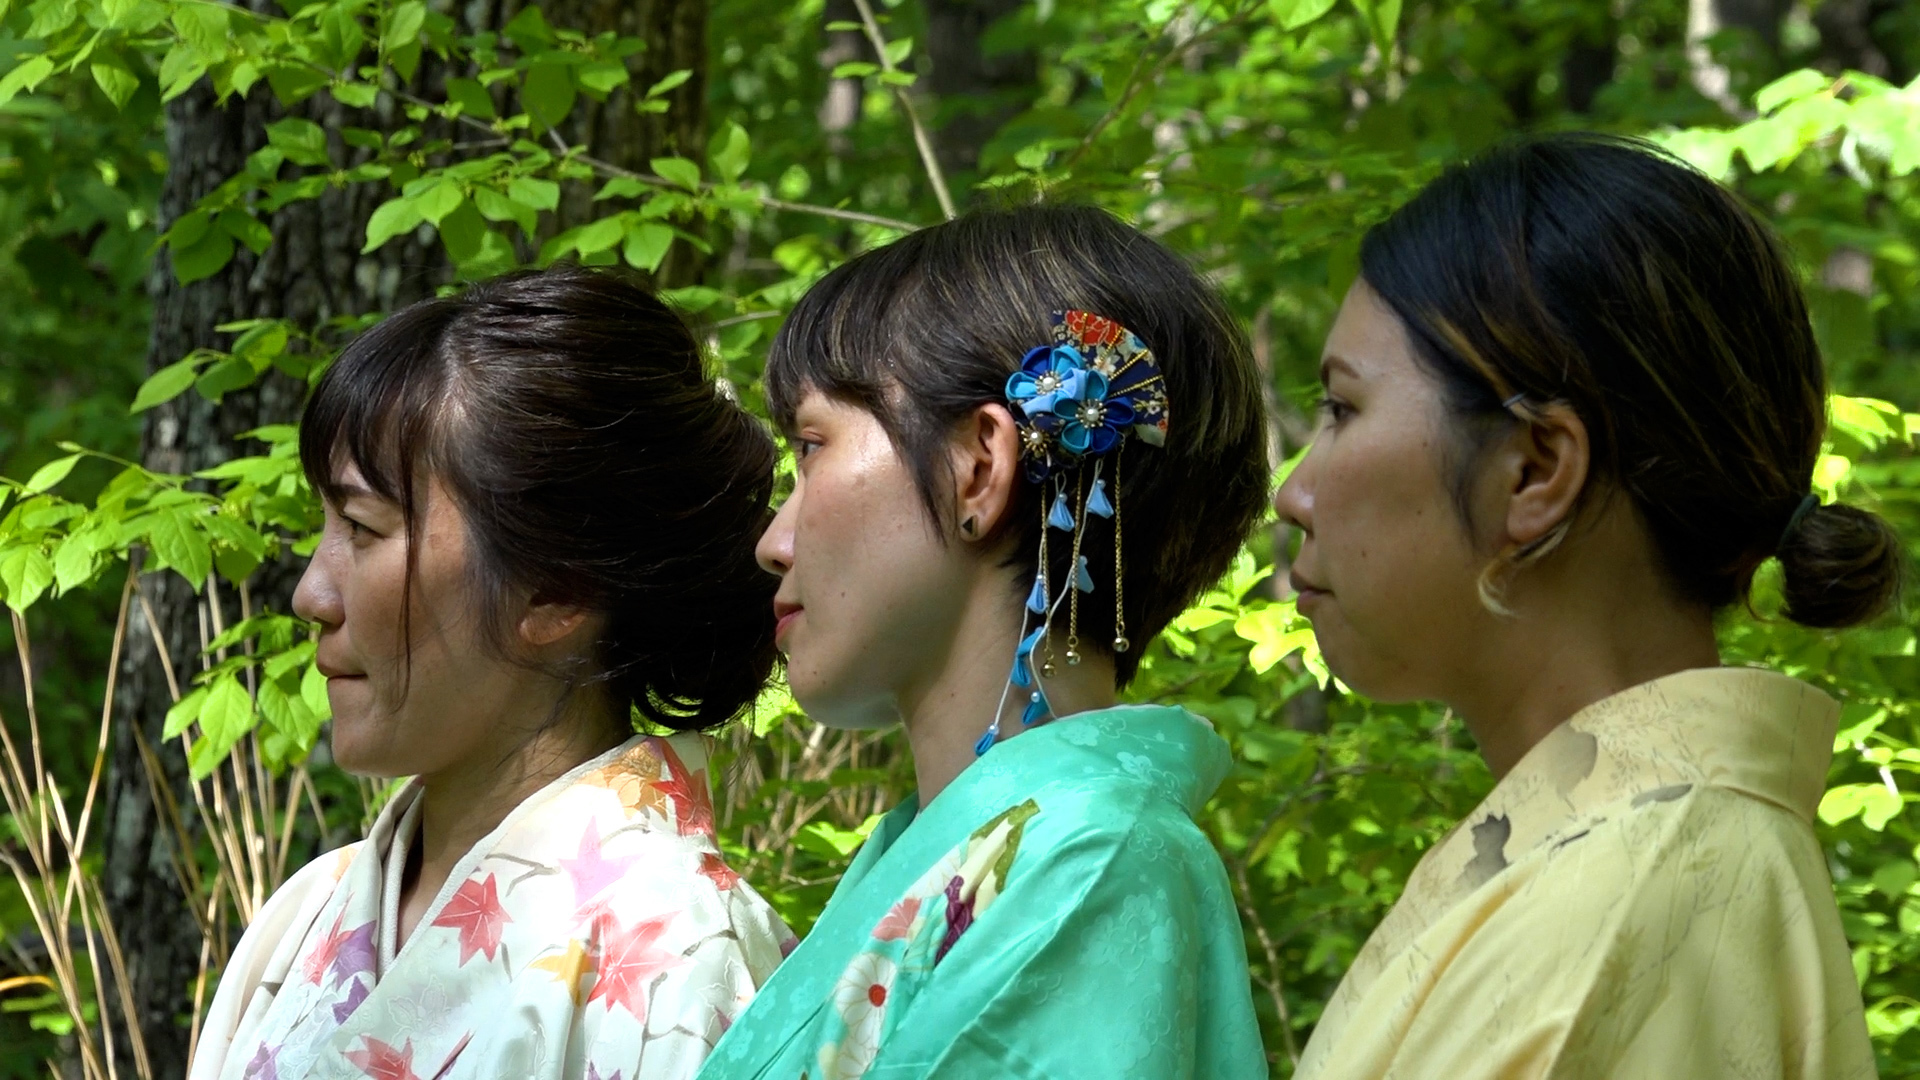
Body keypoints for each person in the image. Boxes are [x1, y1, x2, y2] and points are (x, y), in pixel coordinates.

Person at [1280, 133, 1894, 1080]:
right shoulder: (1619, 864)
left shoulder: (1643, 902)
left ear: (1534, 471)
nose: (1294, 492)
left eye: (1343, 409)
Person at [696, 205, 1272, 1079]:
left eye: (811, 446)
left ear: (979, 467)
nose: (774, 541)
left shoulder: (1093, 862)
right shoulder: (966, 851)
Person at [189, 267, 795, 1080]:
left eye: (363, 530)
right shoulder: (307, 914)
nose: (310, 593)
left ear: (558, 589)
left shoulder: (680, 948)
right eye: (323, 527)